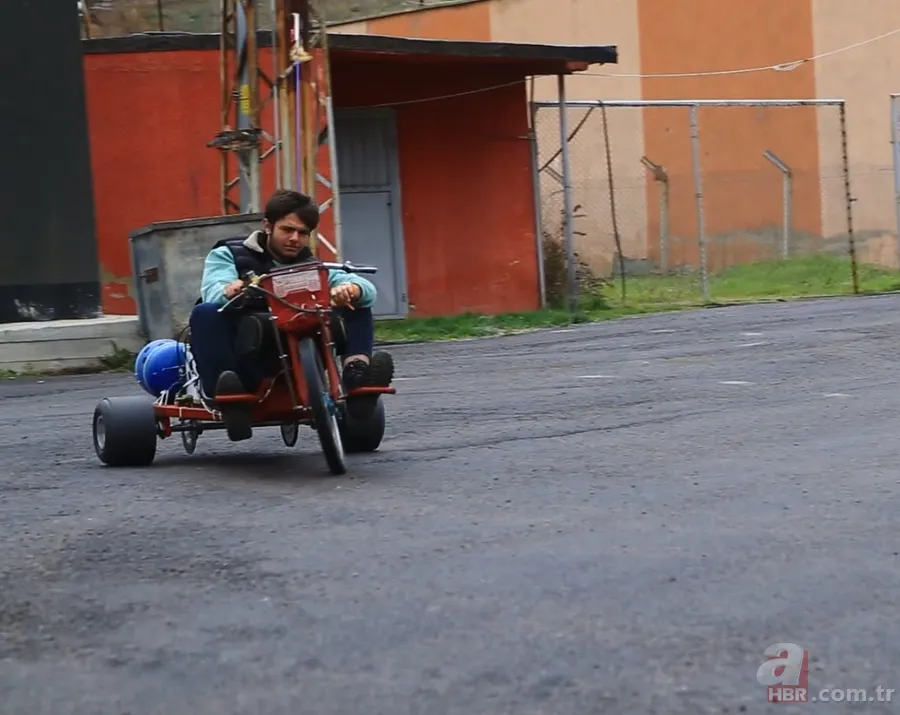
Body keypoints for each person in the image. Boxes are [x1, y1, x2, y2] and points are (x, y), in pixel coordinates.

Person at [189, 189, 394, 441]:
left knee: (358, 302)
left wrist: (351, 289)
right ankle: (228, 395)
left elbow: (365, 289)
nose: (295, 239)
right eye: (287, 230)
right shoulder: (229, 253)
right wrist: (230, 289)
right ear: (268, 225)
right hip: (248, 359)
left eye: (303, 233)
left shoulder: (312, 266)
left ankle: (357, 379)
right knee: (206, 312)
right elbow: (213, 291)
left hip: (301, 352)